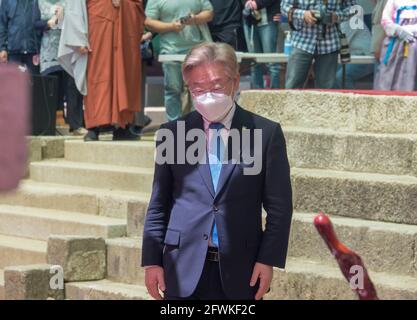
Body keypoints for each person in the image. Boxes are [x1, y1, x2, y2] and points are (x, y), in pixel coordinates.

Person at [141, 42, 293, 300]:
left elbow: (279, 208)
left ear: (235, 82)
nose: (207, 95)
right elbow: (159, 202)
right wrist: (152, 260)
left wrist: (267, 259)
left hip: (241, 267)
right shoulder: (172, 134)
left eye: (215, 86)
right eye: (197, 89)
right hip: (180, 265)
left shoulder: (264, 134)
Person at [58, 0, 145, 141]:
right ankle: (94, 127)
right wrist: (78, 37)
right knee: (97, 74)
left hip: (125, 23)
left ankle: (123, 125)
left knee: (124, 74)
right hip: (97, 22)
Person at [144, 0, 214, 122]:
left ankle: (199, 126)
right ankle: (174, 128)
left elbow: (209, 13)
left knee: (200, 90)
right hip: (171, 51)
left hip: (197, 49)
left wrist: (195, 18)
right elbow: (148, 22)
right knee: (172, 90)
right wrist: (171, 26)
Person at [33, 0, 86, 136]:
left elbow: (79, 19)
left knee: (72, 87)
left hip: (69, 49)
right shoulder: (39, 2)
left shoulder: (72, 2)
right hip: (49, 51)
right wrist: (48, 24)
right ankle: (50, 125)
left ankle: (76, 125)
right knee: (51, 89)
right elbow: (34, 23)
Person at [281, 0, 357, 89]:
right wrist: (303, 14)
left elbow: (353, 8)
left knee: (326, 91)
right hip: (301, 41)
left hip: (329, 44)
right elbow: (284, 6)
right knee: (292, 87)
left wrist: (336, 16)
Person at [373, 0, 417, 91]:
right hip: (395, 45)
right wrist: (398, 30)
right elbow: (385, 20)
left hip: (414, 46)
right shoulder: (392, 1)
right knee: (387, 77)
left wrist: (412, 30)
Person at [242, 0, 281, 88]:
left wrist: (257, 4)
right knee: (254, 63)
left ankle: (275, 97)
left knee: (272, 63)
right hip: (249, 21)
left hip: (269, 20)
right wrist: (247, 3)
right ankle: (257, 96)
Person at [0, 0, 41, 74]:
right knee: (14, 83)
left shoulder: (37, 1)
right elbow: (2, 25)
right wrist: (2, 48)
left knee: (34, 83)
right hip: (13, 52)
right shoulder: (7, 1)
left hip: (33, 51)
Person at [334, 20, 374, 89]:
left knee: (341, 77)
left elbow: (338, 45)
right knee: (327, 73)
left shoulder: (350, 21)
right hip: (352, 57)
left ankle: (350, 98)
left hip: (365, 58)